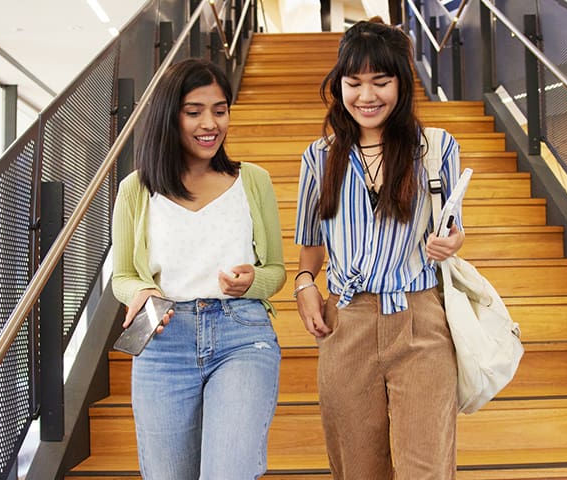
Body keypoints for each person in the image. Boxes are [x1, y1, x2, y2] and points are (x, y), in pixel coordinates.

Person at [293, 19, 464, 479]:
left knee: (426, 469)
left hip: (420, 319)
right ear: (340, 86)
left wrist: (449, 243)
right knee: (356, 469)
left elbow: (454, 229)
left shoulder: (436, 148)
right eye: (354, 83)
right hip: (345, 322)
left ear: (402, 84)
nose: (366, 96)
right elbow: (310, 245)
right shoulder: (319, 156)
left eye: (381, 82)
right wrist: (305, 284)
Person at [111, 58, 285, 480]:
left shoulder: (254, 180)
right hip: (164, 340)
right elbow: (122, 276)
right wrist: (141, 292)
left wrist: (251, 282)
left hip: (242, 335)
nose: (210, 123)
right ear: (170, 116)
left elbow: (276, 270)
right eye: (194, 112)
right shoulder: (136, 189)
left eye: (220, 110)